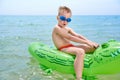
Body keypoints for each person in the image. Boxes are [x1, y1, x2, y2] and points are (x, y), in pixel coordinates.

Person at [52, 6, 99, 80]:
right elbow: (70, 38)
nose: (65, 21)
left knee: (92, 48)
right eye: (63, 18)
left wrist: (90, 42)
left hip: (70, 46)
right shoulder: (57, 28)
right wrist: (86, 42)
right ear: (57, 17)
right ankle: (78, 77)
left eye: (68, 19)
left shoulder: (68, 28)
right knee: (80, 51)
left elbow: (78, 36)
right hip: (63, 48)